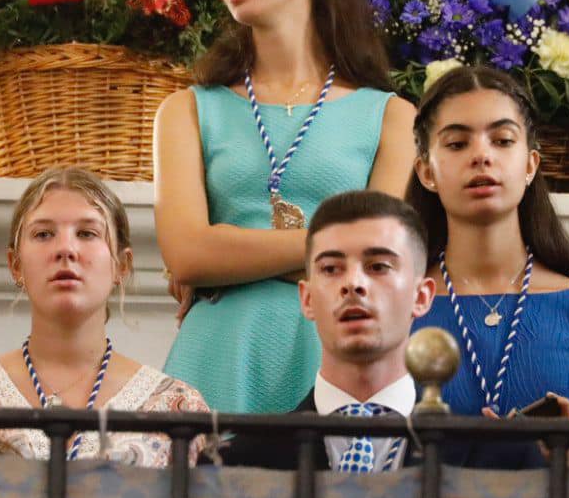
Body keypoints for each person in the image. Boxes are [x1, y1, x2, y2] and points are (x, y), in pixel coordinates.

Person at [155, 0, 417, 416]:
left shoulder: (392, 117)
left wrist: (233, 254)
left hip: (335, 359)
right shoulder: (187, 110)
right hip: (217, 358)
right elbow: (187, 253)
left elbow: (382, 262)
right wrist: (335, 253)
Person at [405, 65, 569, 471]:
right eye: (457, 144)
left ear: (531, 164)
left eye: (502, 140)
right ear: (427, 172)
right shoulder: (394, 306)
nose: (482, 156)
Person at [220, 189, 548, 471]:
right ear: (307, 299)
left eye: (378, 266)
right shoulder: (238, 462)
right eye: (331, 269)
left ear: (421, 296)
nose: (353, 283)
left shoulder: (503, 458)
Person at [0, 167, 208, 467]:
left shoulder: (177, 408)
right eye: (43, 234)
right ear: (15, 265)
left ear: (121, 265)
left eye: (87, 233)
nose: (65, 249)